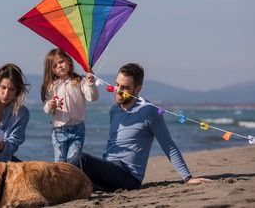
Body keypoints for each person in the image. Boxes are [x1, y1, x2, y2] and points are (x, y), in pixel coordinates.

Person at [69, 63, 212, 192]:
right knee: (75, 170)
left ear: (137, 89)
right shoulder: (114, 110)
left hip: (128, 177)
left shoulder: (149, 112)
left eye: (124, 87)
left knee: (82, 159)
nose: (118, 90)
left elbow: (168, 145)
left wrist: (187, 177)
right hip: (109, 170)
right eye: (117, 84)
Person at [41, 48, 99, 162]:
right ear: (51, 70)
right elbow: (46, 109)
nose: (59, 66)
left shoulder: (79, 81)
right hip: (59, 129)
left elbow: (92, 97)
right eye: (54, 66)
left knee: (74, 161)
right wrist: (49, 105)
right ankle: (60, 180)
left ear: (69, 61)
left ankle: (72, 180)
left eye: (61, 62)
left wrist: (90, 83)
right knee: (60, 162)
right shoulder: (51, 86)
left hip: (78, 128)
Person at [0, 63, 31, 162]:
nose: (6, 94)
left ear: (17, 91)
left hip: (2, 161)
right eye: (3, 87)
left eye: (12, 89)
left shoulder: (22, 113)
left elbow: (13, 144)